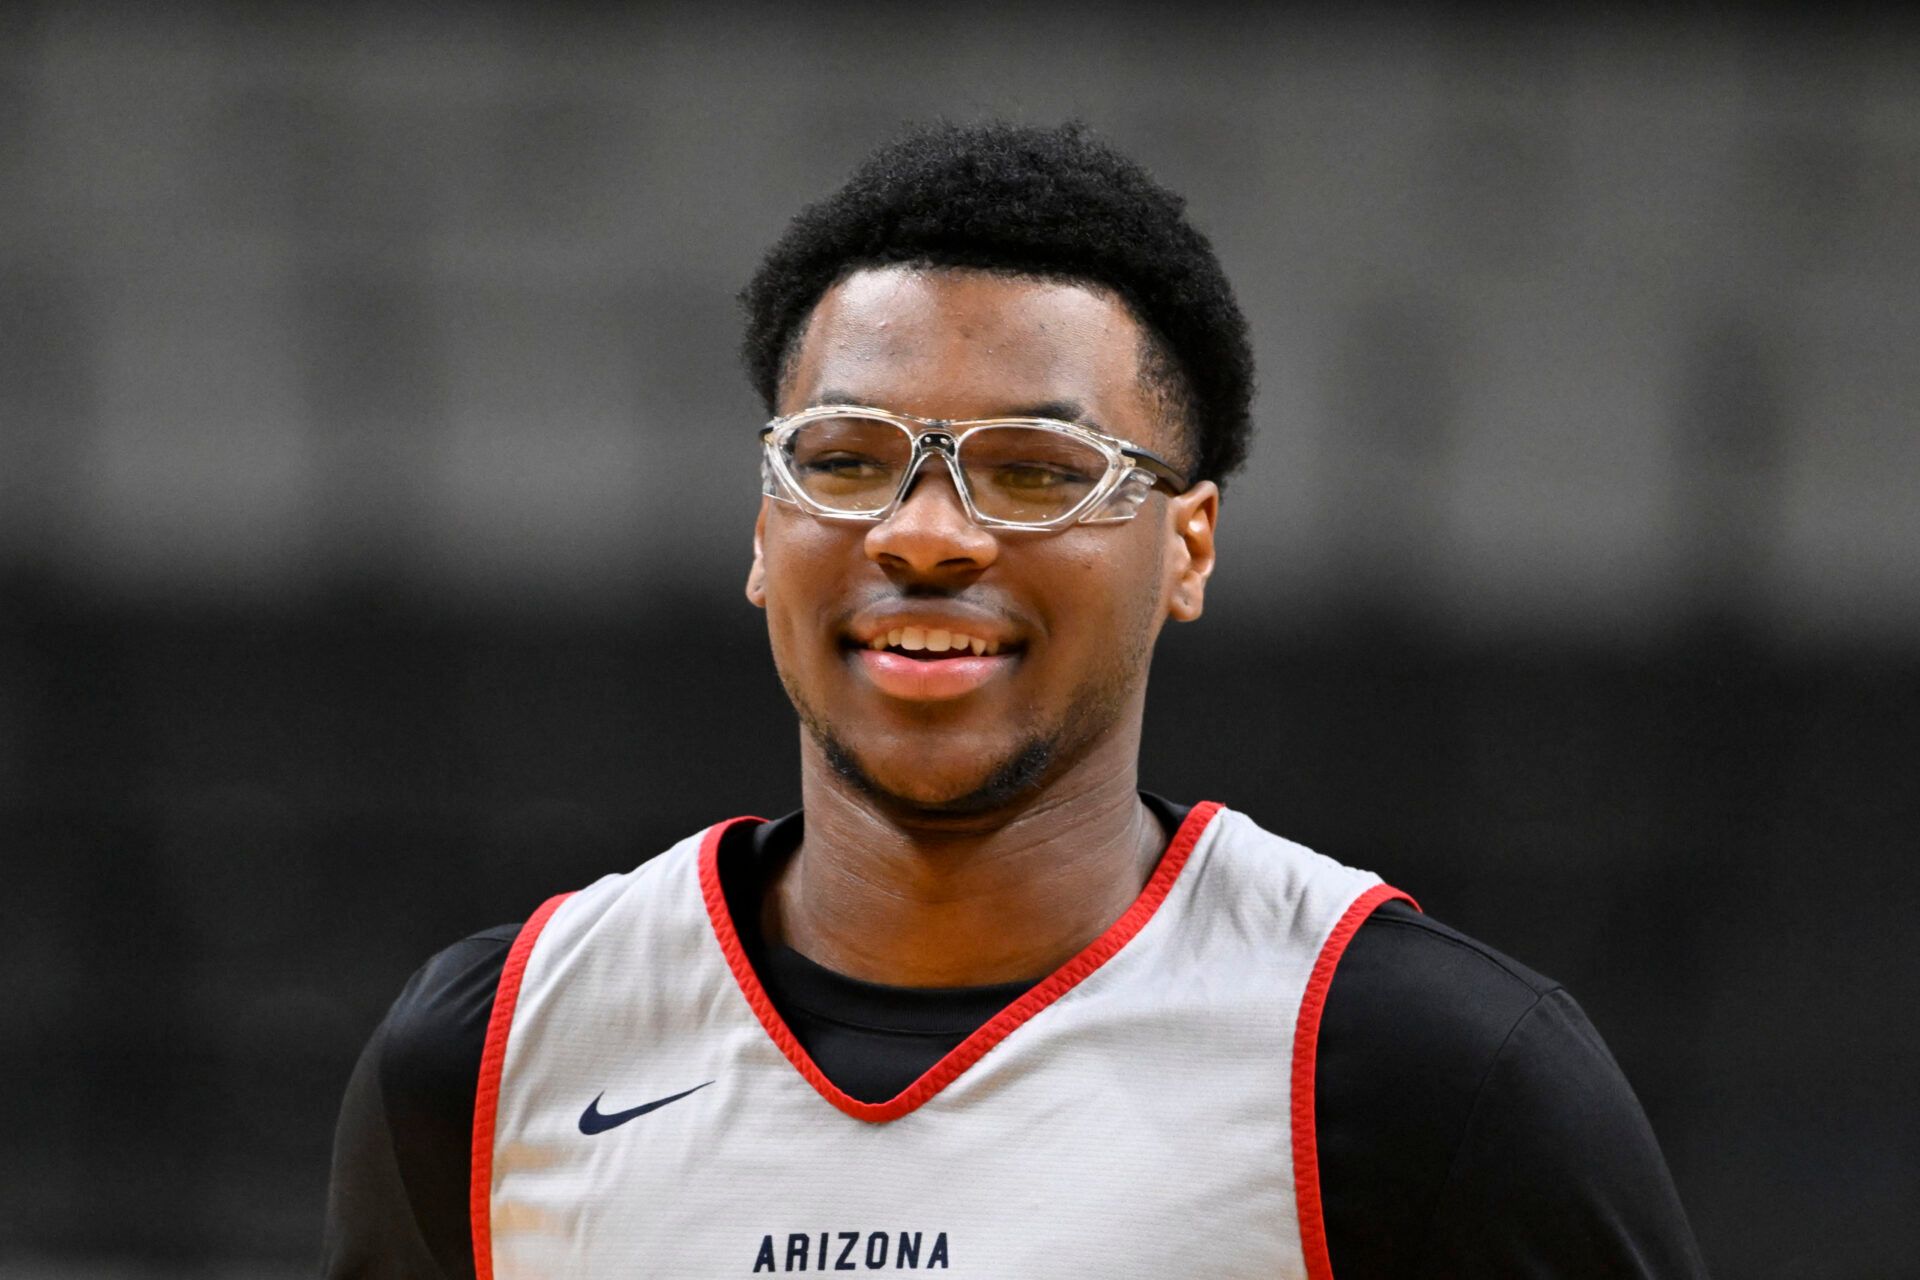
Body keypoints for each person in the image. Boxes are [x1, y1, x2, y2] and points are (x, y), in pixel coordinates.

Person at [323, 121, 1706, 1279]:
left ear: (1188, 546)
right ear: (762, 530)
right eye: (848, 460)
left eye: (1039, 470)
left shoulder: (1432, 1077)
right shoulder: (492, 1059)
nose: (926, 536)